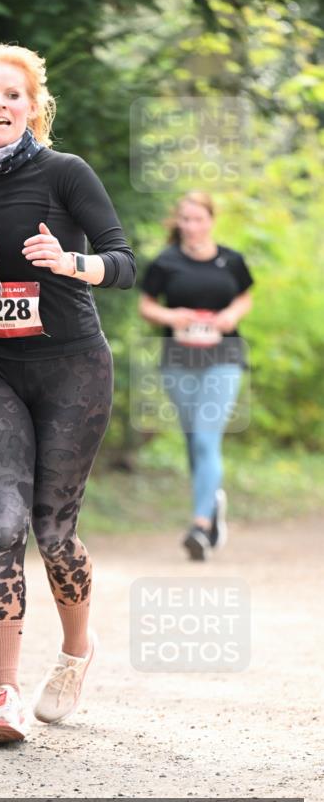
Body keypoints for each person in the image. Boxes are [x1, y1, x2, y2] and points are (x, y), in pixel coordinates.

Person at [0, 44, 136, 745]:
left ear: (33, 107)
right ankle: (2, 697)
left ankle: (73, 653)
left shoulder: (64, 173)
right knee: (2, 522)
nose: (0, 106)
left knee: (51, 528)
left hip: (71, 366)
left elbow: (124, 261)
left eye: (12, 96)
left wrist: (72, 263)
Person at [138, 191, 254, 561]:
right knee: (193, 441)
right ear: (178, 223)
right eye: (185, 219)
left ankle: (200, 526)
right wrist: (174, 318)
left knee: (206, 438)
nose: (191, 226)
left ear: (211, 220)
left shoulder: (230, 260)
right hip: (178, 360)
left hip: (224, 357)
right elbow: (147, 306)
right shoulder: (165, 263)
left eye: (198, 219)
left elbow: (246, 295)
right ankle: (212, 503)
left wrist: (232, 315)